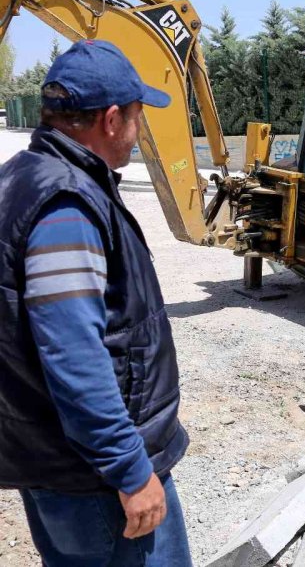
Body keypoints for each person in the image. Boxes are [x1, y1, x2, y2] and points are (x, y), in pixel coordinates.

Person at [0, 40, 192, 565]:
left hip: (56, 460)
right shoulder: (68, 205)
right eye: (136, 117)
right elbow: (73, 355)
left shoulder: (21, 176)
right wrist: (131, 472)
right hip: (97, 481)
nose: (139, 131)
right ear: (111, 120)